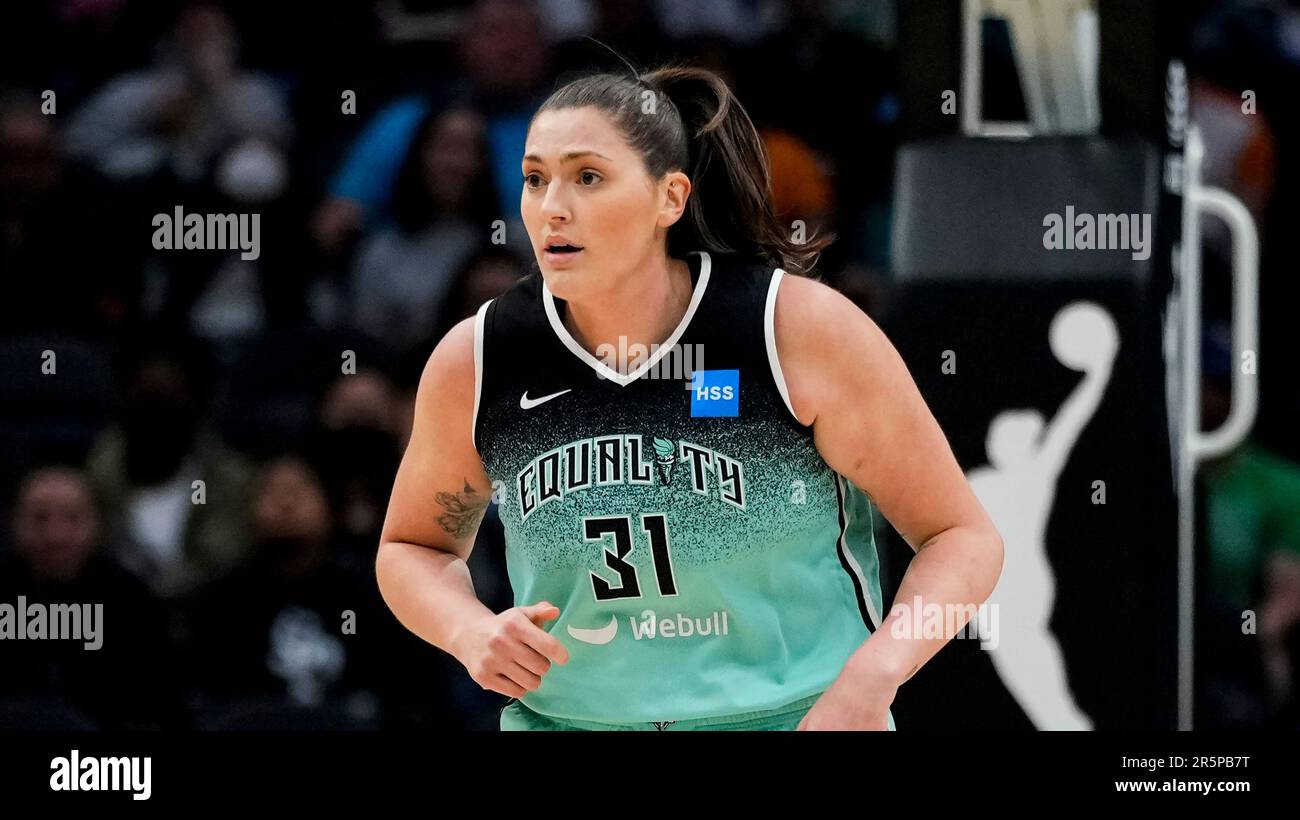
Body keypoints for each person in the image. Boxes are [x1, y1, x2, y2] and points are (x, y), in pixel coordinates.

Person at [376, 64, 1004, 731]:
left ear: (668, 198)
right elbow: (412, 548)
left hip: (789, 717)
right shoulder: (479, 357)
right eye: (536, 178)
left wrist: (875, 674)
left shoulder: (793, 329)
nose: (551, 205)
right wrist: (468, 632)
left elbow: (961, 537)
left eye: (587, 177)